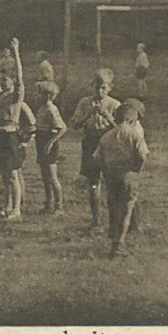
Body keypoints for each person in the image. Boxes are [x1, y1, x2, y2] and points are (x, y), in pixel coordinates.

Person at [0, 39, 33, 221]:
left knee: (12, 175)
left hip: (10, 135)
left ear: (12, 82)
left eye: (6, 80)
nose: (2, 82)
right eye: (1, 80)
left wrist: (17, 51)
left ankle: (17, 210)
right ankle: (8, 205)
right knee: (4, 175)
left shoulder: (16, 96)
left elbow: (20, 76)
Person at [95, 99, 150, 258]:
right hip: (128, 175)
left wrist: (106, 169)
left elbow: (97, 157)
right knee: (127, 210)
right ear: (131, 120)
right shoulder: (135, 134)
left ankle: (113, 240)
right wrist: (136, 170)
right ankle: (119, 244)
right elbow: (142, 156)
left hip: (112, 175)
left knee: (114, 208)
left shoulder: (107, 136)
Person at [70, 70, 121, 231]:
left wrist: (108, 116)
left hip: (108, 145)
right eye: (96, 87)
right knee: (93, 183)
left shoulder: (115, 104)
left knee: (112, 183)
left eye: (103, 88)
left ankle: (115, 220)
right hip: (90, 144)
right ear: (91, 86)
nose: (99, 91)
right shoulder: (84, 103)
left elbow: (121, 130)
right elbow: (75, 124)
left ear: (110, 88)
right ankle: (96, 220)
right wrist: (87, 115)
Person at [32, 79, 68, 215]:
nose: (35, 95)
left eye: (38, 93)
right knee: (44, 175)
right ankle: (49, 203)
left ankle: (59, 207)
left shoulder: (51, 110)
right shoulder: (41, 109)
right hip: (40, 142)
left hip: (48, 143)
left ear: (47, 95)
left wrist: (51, 142)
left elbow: (62, 128)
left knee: (52, 176)